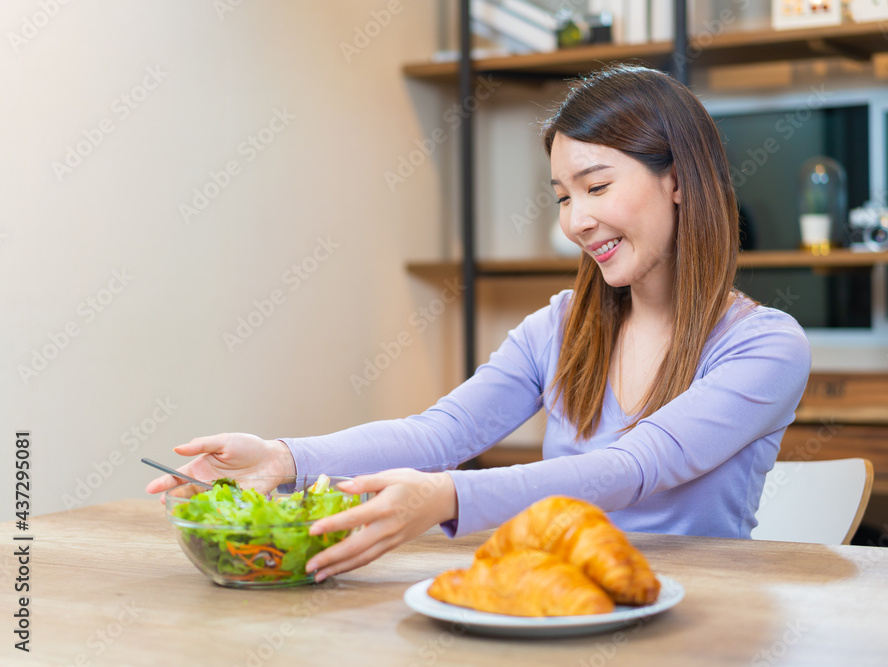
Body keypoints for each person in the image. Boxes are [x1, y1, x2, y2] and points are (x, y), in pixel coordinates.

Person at [147, 64, 811, 583]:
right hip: (558, 600)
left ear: (680, 181)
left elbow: (636, 466)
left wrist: (445, 497)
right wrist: (283, 457)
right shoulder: (560, 326)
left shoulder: (765, 347)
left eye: (597, 186)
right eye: (563, 197)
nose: (575, 220)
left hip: (699, 621)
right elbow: (443, 432)